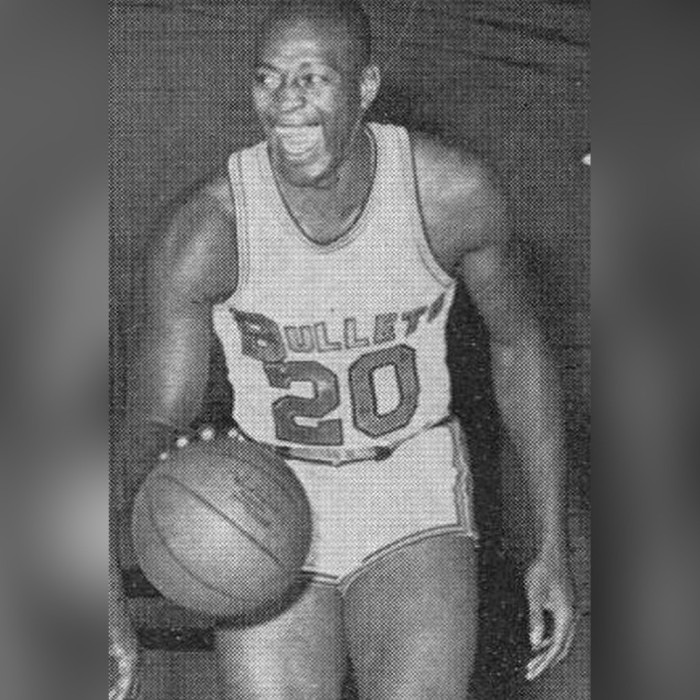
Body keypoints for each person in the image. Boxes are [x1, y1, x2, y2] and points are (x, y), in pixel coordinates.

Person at [110, 0, 577, 697]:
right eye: (268, 78)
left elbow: (518, 348)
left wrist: (550, 542)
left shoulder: (449, 194)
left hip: (409, 484)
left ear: (365, 87)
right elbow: (153, 418)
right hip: (264, 488)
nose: (285, 102)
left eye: (312, 78)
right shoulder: (209, 229)